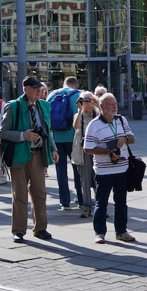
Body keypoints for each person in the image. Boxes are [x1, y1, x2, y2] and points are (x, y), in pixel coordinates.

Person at [0, 76, 57, 243]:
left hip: (38, 155)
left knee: (40, 193)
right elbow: (2, 132)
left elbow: (47, 130)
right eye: (35, 88)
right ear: (25, 89)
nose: (39, 90)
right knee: (20, 194)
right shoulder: (14, 106)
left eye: (40, 87)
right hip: (19, 155)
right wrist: (23, 136)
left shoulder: (44, 105)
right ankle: (18, 230)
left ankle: (41, 228)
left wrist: (53, 148)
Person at [84, 93, 136, 244]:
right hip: (104, 170)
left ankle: (121, 231)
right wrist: (108, 152)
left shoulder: (121, 120)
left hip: (122, 169)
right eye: (111, 104)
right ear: (101, 107)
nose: (115, 107)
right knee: (102, 202)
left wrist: (124, 138)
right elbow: (88, 148)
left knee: (121, 202)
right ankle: (99, 233)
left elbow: (132, 138)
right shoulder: (94, 125)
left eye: (115, 104)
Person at [48, 77, 82, 211]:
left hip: (57, 139)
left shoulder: (52, 95)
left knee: (60, 170)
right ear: (75, 84)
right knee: (78, 169)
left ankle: (64, 202)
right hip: (74, 138)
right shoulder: (79, 95)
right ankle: (81, 199)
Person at [72, 91, 99, 218]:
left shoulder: (98, 114)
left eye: (89, 100)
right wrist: (80, 111)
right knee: (85, 181)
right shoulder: (79, 115)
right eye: (84, 100)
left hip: (98, 151)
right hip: (83, 151)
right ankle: (87, 206)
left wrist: (98, 105)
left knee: (99, 179)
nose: (86, 103)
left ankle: (100, 206)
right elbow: (76, 126)